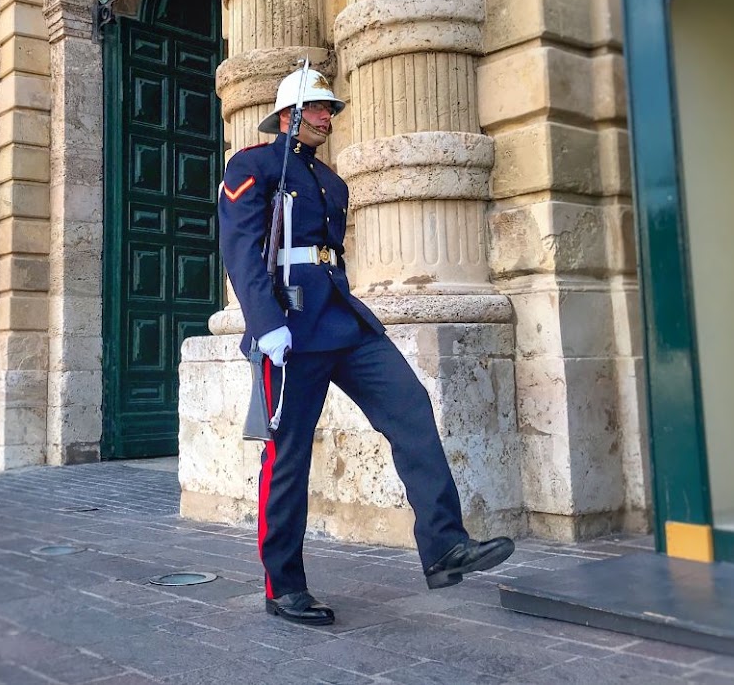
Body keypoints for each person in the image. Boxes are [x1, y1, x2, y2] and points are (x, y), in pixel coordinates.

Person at [217, 66, 514, 626]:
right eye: (320, 108)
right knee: (287, 456)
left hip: (343, 321)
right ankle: (284, 585)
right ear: (290, 115)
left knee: (410, 408)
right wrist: (264, 322)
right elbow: (241, 249)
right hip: (290, 327)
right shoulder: (251, 167)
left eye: (332, 109)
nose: (330, 117)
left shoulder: (332, 182)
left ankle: (445, 545)